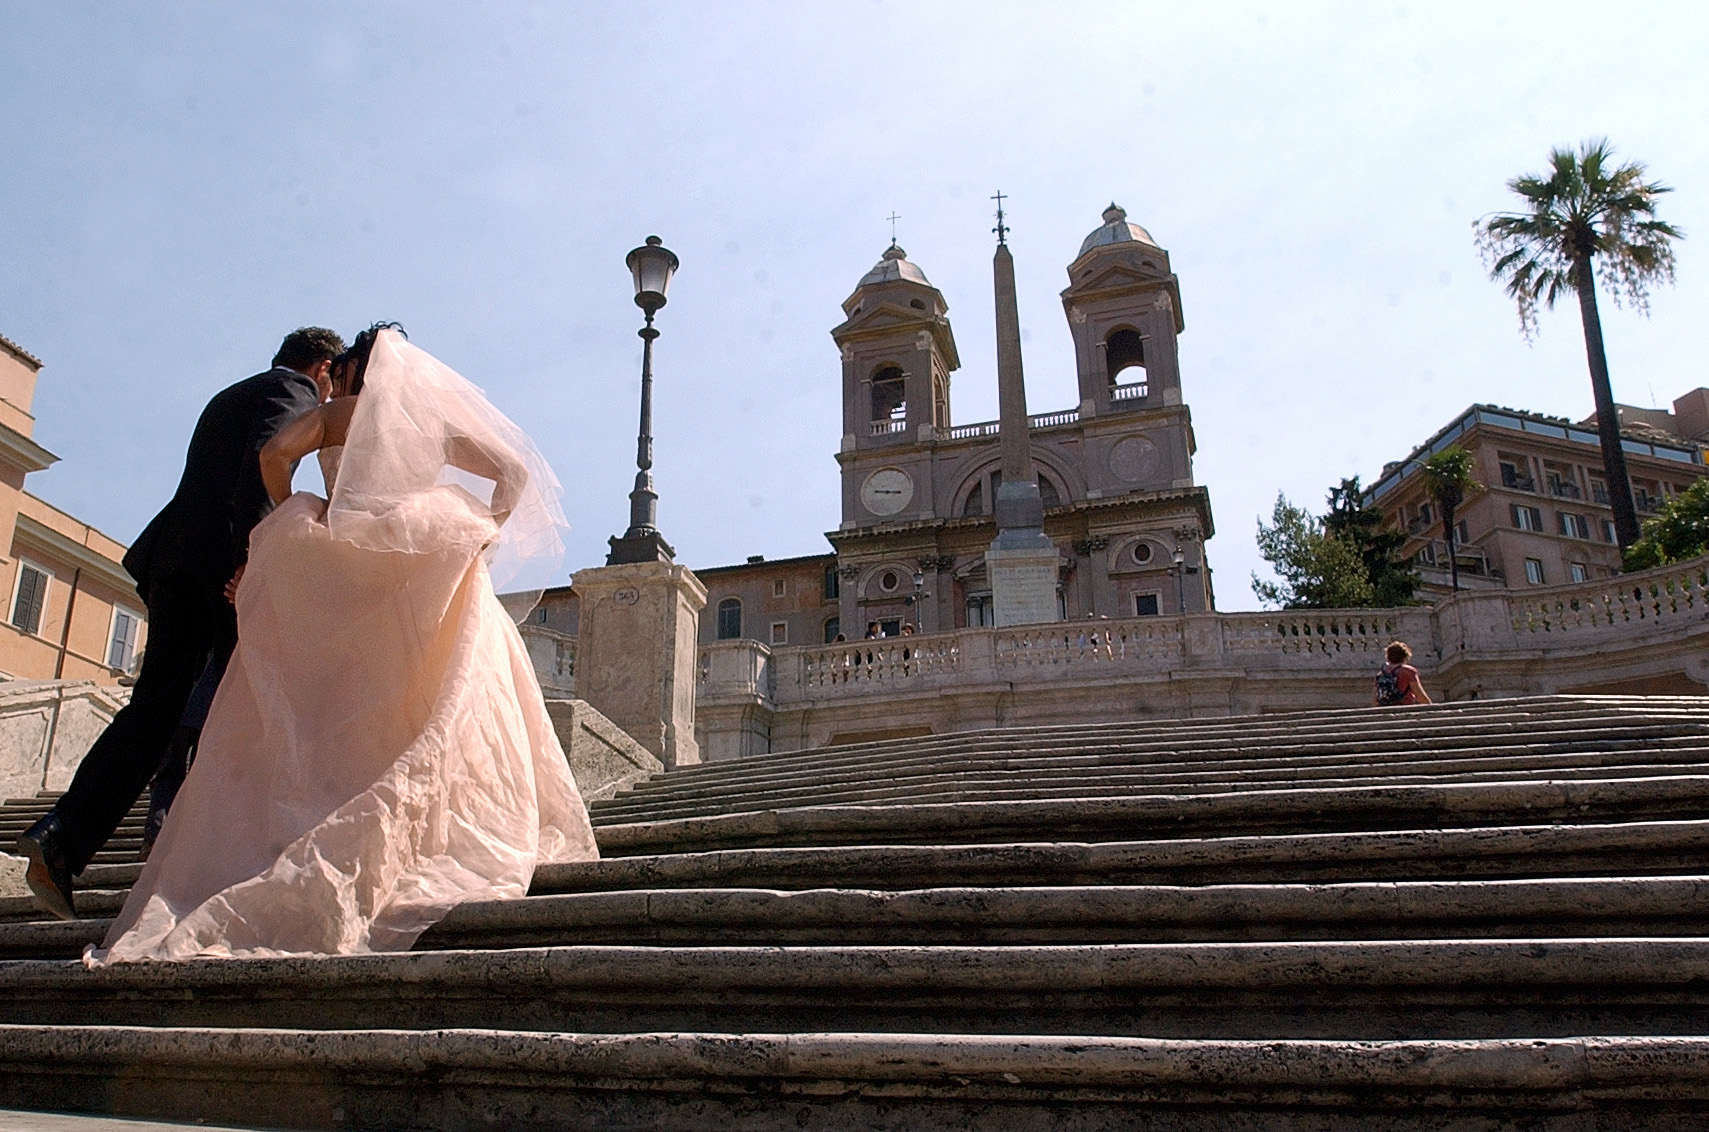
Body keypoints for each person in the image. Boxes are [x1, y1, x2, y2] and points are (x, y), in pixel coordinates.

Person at [90, 326, 598, 961]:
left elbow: (273, 454)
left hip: (343, 560)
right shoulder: (432, 425)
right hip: (418, 562)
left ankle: (312, 821)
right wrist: (486, 528)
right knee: (426, 697)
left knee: (336, 707)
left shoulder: (336, 414)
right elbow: (513, 471)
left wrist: (293, 511)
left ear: (355, 368)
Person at [17, 327, 345, 920]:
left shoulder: (229, 395)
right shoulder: (293, 393)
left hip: (174, 562)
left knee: (158, 709)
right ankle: (241, 864)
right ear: (321, 369)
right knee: (257, 701)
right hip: (222, 567)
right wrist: (255, 556)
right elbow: (261, 467)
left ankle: (64, 838)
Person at [1373, 641, 1432, 706]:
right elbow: (1420, 697)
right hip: (1403, 707)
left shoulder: (1380, 675)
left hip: (1385, 708)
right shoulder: (1408, 671)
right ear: (1405, 656)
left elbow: (1375, 700)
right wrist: (1431, 707)